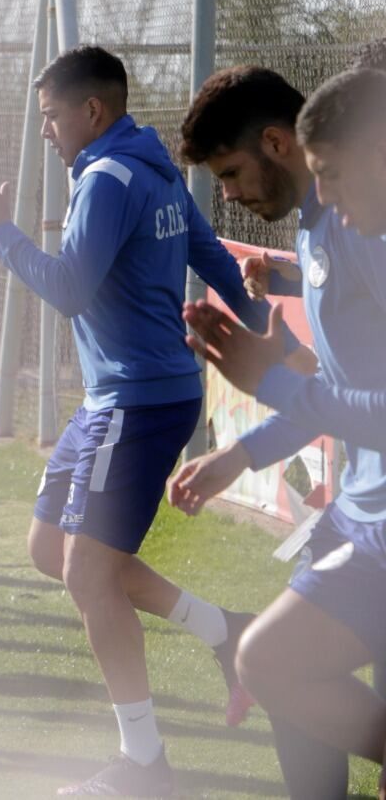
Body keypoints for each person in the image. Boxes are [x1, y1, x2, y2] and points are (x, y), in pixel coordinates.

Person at [0, 46, 286, 795]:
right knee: (50, 548)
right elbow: (214, 257)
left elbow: (70, 288)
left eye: (50, 116)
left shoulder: (105, 178)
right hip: (117, 398)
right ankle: (223, 629)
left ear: (91, 112)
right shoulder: (152, 163)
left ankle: (145, 765)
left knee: (86, 572)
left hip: (137, 400)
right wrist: (277, 327)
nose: (46, 131)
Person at [173, 67, 386, 798]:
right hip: (360, 515)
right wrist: (243, 449)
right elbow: (344, 380)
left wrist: (272, 383)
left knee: (275, 662)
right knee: (281, 670)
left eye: (229, 172)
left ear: (277, 143)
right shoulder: (327, 222)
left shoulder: (359, 224)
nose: (226, 193)